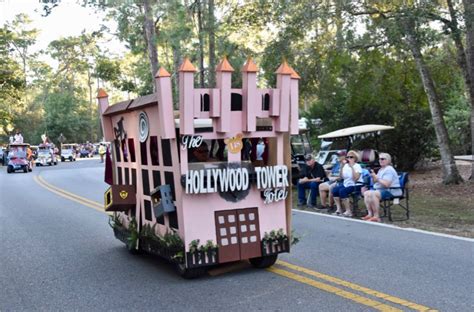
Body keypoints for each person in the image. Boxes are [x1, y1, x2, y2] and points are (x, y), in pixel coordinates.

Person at [362, 153, 401, 222]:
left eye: (383, 159)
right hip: (382, 189)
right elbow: (376, 182)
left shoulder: (389, 170)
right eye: (379, 159)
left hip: (392, 191)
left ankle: (376, 216)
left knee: (374, 194)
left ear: (388, 160)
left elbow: (386, 184)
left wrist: (376, 177)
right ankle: (370, 214)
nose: (380, 160)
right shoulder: (381, 170)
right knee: (366, 193)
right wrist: (373, 176)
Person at [331, 150, 363, 217]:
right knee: (335, 190)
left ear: (355, 158)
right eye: (348, 157)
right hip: (347, 184)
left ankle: (348, 211)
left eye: (351, 157)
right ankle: (339, 209)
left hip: (356, 185)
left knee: (342, 191)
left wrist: (352, 167)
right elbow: (341, 177)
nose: (349, 159)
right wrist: (342, 167)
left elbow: (355, 179)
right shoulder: (345, 166)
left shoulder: (357, 166)